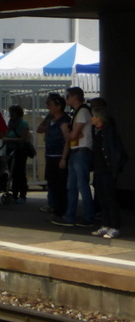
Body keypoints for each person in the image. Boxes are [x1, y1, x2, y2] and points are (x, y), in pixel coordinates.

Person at [52, 87, 95, 228]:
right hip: (75, 151)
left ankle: (88, 217)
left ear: (75, 97)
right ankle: (70, 216)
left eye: (68, 96)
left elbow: (72, 136)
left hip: (81, 151)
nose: (66, 99)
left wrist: (66, 130)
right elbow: (75, 136)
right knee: (72, 186)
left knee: (81, 185)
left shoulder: (82, 112)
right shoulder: (77, 112)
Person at [90, 105, 127, 239]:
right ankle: (105, 224)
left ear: (99, 118)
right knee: (101, 198)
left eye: (93, 116)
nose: (91, 118)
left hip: (107, 169)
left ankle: (115, 227)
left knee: (110, 198)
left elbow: (115, 152)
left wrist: (114, 168)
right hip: (99, 169)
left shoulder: (109, 131)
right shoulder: (96, 131)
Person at [36, 93, 70, 218]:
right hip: (49, 154)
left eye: (50, 104)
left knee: (60, 185)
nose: (48, 106)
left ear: (58, 106)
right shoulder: (51, 119)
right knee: (52, 183)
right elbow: (39, 129)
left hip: (59, 155)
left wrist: (64, 157)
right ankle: (55, 207)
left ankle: (61, 210)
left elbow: (67, 140)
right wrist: (48, 118)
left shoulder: (64, 121)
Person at [2, 105, 31, 204]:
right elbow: (7, 132)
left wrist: (10, 139)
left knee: (20, 173)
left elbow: (24, 138)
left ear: (17, 113)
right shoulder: (11, 122)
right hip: (10, 149)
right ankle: (14, 194)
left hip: (20, 150)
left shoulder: (23, 123)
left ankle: (22, 195)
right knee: (12, 172)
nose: (11, 115)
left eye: (12, 113)